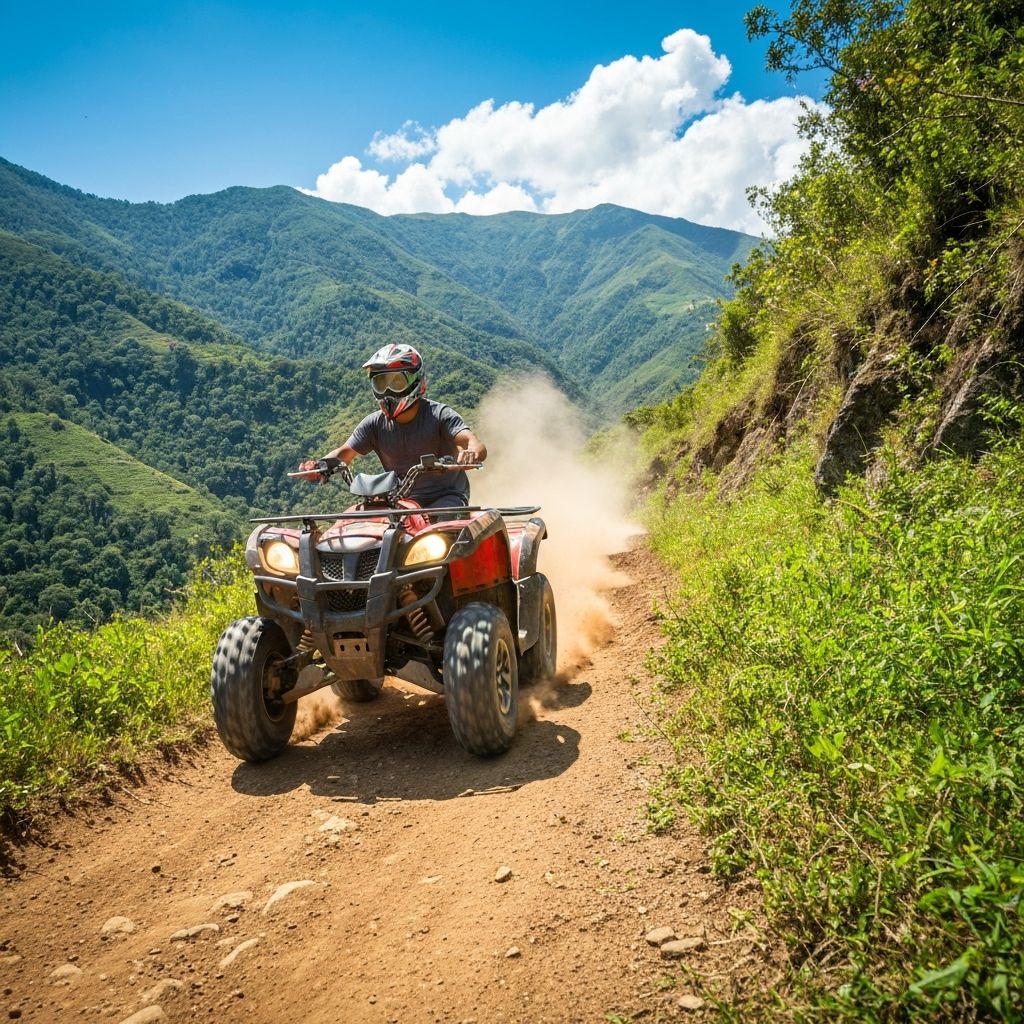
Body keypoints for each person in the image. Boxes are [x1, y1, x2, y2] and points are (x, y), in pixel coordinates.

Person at [297, 343, 487, 508]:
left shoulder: (439, 415)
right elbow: (344, 453)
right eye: (381, 383)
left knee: (446, 531)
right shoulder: (374, 423)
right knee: (359, 525)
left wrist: (471, 453)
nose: (388, 391)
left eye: (396, 382)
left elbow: (473, 442)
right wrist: (320, 465)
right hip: (402, 500)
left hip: (446, 498)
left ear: (416, 381)